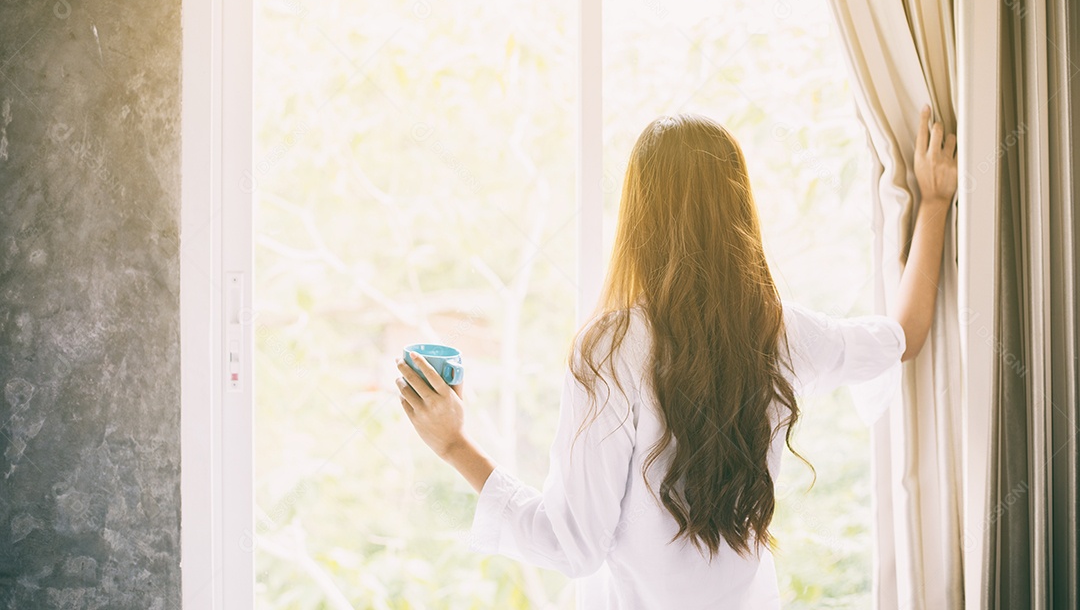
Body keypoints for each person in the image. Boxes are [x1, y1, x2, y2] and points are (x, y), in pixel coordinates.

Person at [394, 106, 958, 609]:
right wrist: (934, 202)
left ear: (637, 217)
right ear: (738, 207)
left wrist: (452, 444)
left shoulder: (610, 351)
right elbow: (903, 335)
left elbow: (572, 544)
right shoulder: (780, 331)